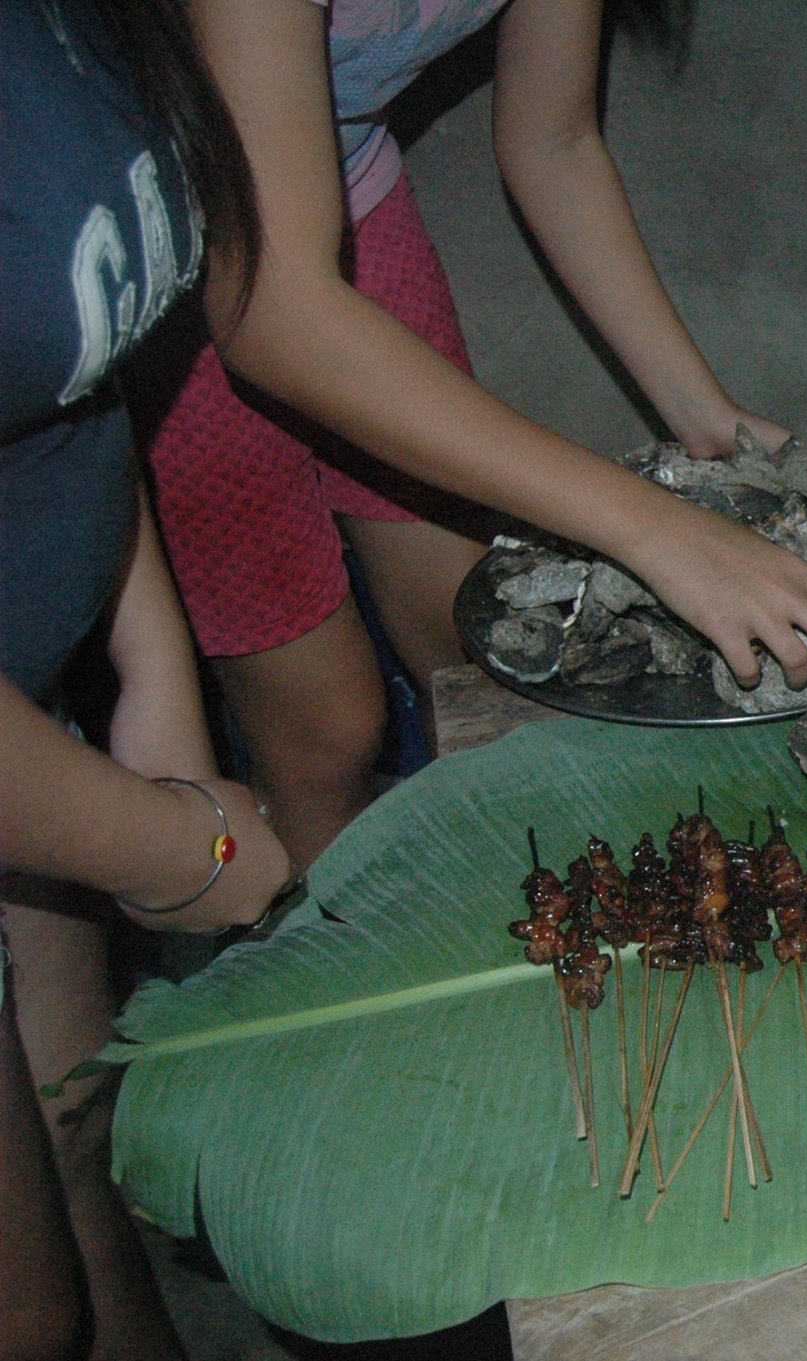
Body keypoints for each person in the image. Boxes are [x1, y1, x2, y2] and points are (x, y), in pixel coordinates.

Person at [148, 0, 807, 867]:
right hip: (172, 232)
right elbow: (274, 313)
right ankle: (333, 946)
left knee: (471, 639)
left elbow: (553, 140)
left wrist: (701, 414)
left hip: (345, 181)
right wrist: (657, 526)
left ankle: (481, 892)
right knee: (328, 727)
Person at [2, 1, 296, 1355]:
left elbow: (67, 364)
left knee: (81, 1139)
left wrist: (147, 659)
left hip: (39, 718)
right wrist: (183, 845)